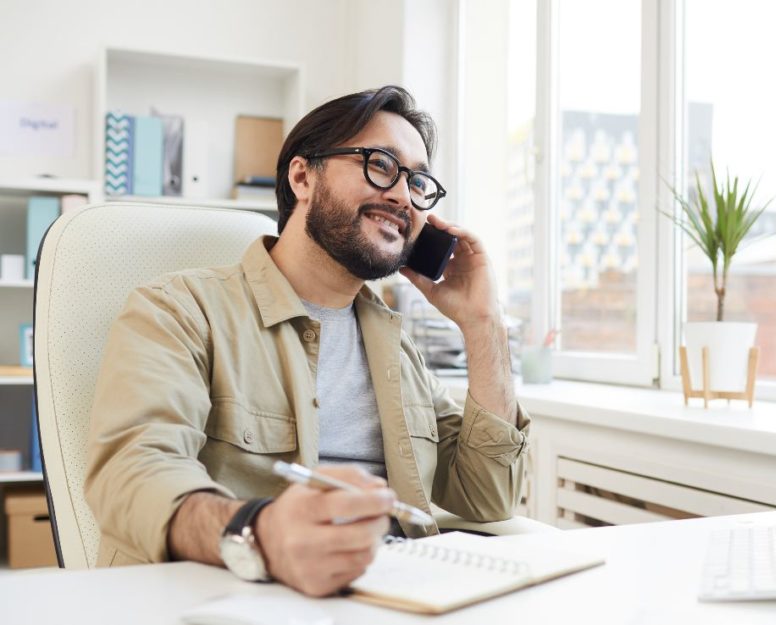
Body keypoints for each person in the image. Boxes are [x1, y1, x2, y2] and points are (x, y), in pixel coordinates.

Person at [84, 85, 530, 597]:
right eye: (381, 165)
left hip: (395, 597)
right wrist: (262, 534)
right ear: (302, 176)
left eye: (418, 181)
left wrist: (484, 323)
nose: (404, 196)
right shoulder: (179, 310)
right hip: (236, 595)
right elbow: (132, 473)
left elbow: (488, 495)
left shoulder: (396, 347)